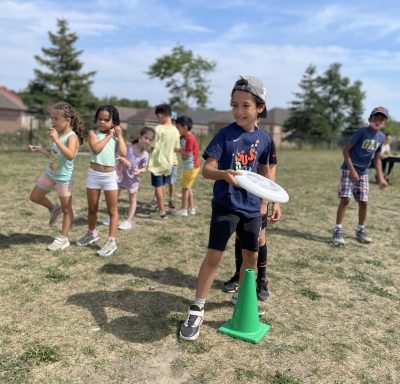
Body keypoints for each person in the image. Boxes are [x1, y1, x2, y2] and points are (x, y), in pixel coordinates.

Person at [179, 75, 275, 341]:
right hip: (226, 205)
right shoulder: (225, 134)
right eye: (234, 105)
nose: (239, 111)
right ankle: (197, 308)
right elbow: (207, 170)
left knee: (251, 259)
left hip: (252, 209)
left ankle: (243, 302)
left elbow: (266, 173)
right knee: (215, 257)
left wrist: (270, 201)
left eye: (245, 105)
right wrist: (224, 174)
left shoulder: (265, 140)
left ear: (260, 108)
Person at [222, 137, 281, 301]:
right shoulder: (236, 137)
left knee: (259, 238)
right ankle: (238, 275)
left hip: (258, 199)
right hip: (238, 198)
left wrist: (269, 201)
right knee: (241, 237)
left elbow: (270, 171)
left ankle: (261, 280)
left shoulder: (265, 139)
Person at [29, 102, 85, 251]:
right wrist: (41, 150)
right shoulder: (59, 135)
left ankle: (63, 238)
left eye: (55, 118)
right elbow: (55, 155)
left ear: (68, 119)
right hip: (50, 173)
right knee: (35, 197)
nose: (52, 122)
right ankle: (54, 208)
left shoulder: (71, 137)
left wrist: (56, 140)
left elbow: (70, 155)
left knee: (67, 209)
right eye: (51, 118)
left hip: (63, 178)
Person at [332, 106, 389, 246]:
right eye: (376, 117)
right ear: (370, 119)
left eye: (382, 119)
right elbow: (345, 151)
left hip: (363, 173)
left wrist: (380, 177)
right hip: (348, 169)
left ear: (384, 123)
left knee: (363, 202)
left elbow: (376, 159)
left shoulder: (381, 137)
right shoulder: (361, 132)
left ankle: (360, 230)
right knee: (345, 199)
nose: (378, 121)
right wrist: (352, 170)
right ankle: (338, 230)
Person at [77, 105, 127, 257]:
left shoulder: (116, 136)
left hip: (109, 176)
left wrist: (119, 136)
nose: (103, 122)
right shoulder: (93, 133)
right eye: (100, 119)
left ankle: (111, 240)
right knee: (92, 208)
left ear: (114, 122)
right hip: (94, 175)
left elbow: (124, 153)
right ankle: (92, 233)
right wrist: (108, 136)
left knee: (112, 210)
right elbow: (95, 149)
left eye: (107, 119)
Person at [114, 126, 155, 230]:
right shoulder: (129, 147)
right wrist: (123, 161)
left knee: (132, 199)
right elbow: (119, 156)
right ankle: (111, 216)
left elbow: (144, 168)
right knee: (114, 197)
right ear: (140, 137)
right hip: (121, 176)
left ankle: (128, 221)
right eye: (146, 137)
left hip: (133, 179)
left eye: (150, 140)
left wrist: (139, 171)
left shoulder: (145, 155)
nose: (148, 141)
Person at [147, 104, 180, 219]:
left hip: (157, 163)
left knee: (157, 186)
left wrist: (147, 149)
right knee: (163, 185)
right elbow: (176, 148)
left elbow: (153, 145)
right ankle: (160, 207)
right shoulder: (176, 131)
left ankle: (162, 212)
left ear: (160, 115)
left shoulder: (158, 129)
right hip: (169, 163)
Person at [173, 115, 200, 216]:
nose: (177, 130)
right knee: (188, 188)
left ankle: (183, 209)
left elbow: (185, 156)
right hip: (191, 167)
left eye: (178, 127)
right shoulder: (183, 137)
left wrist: (179, 150)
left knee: (185, 188)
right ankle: (191, 208)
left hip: (191, 167)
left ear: (184, 127)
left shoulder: (190, 139)